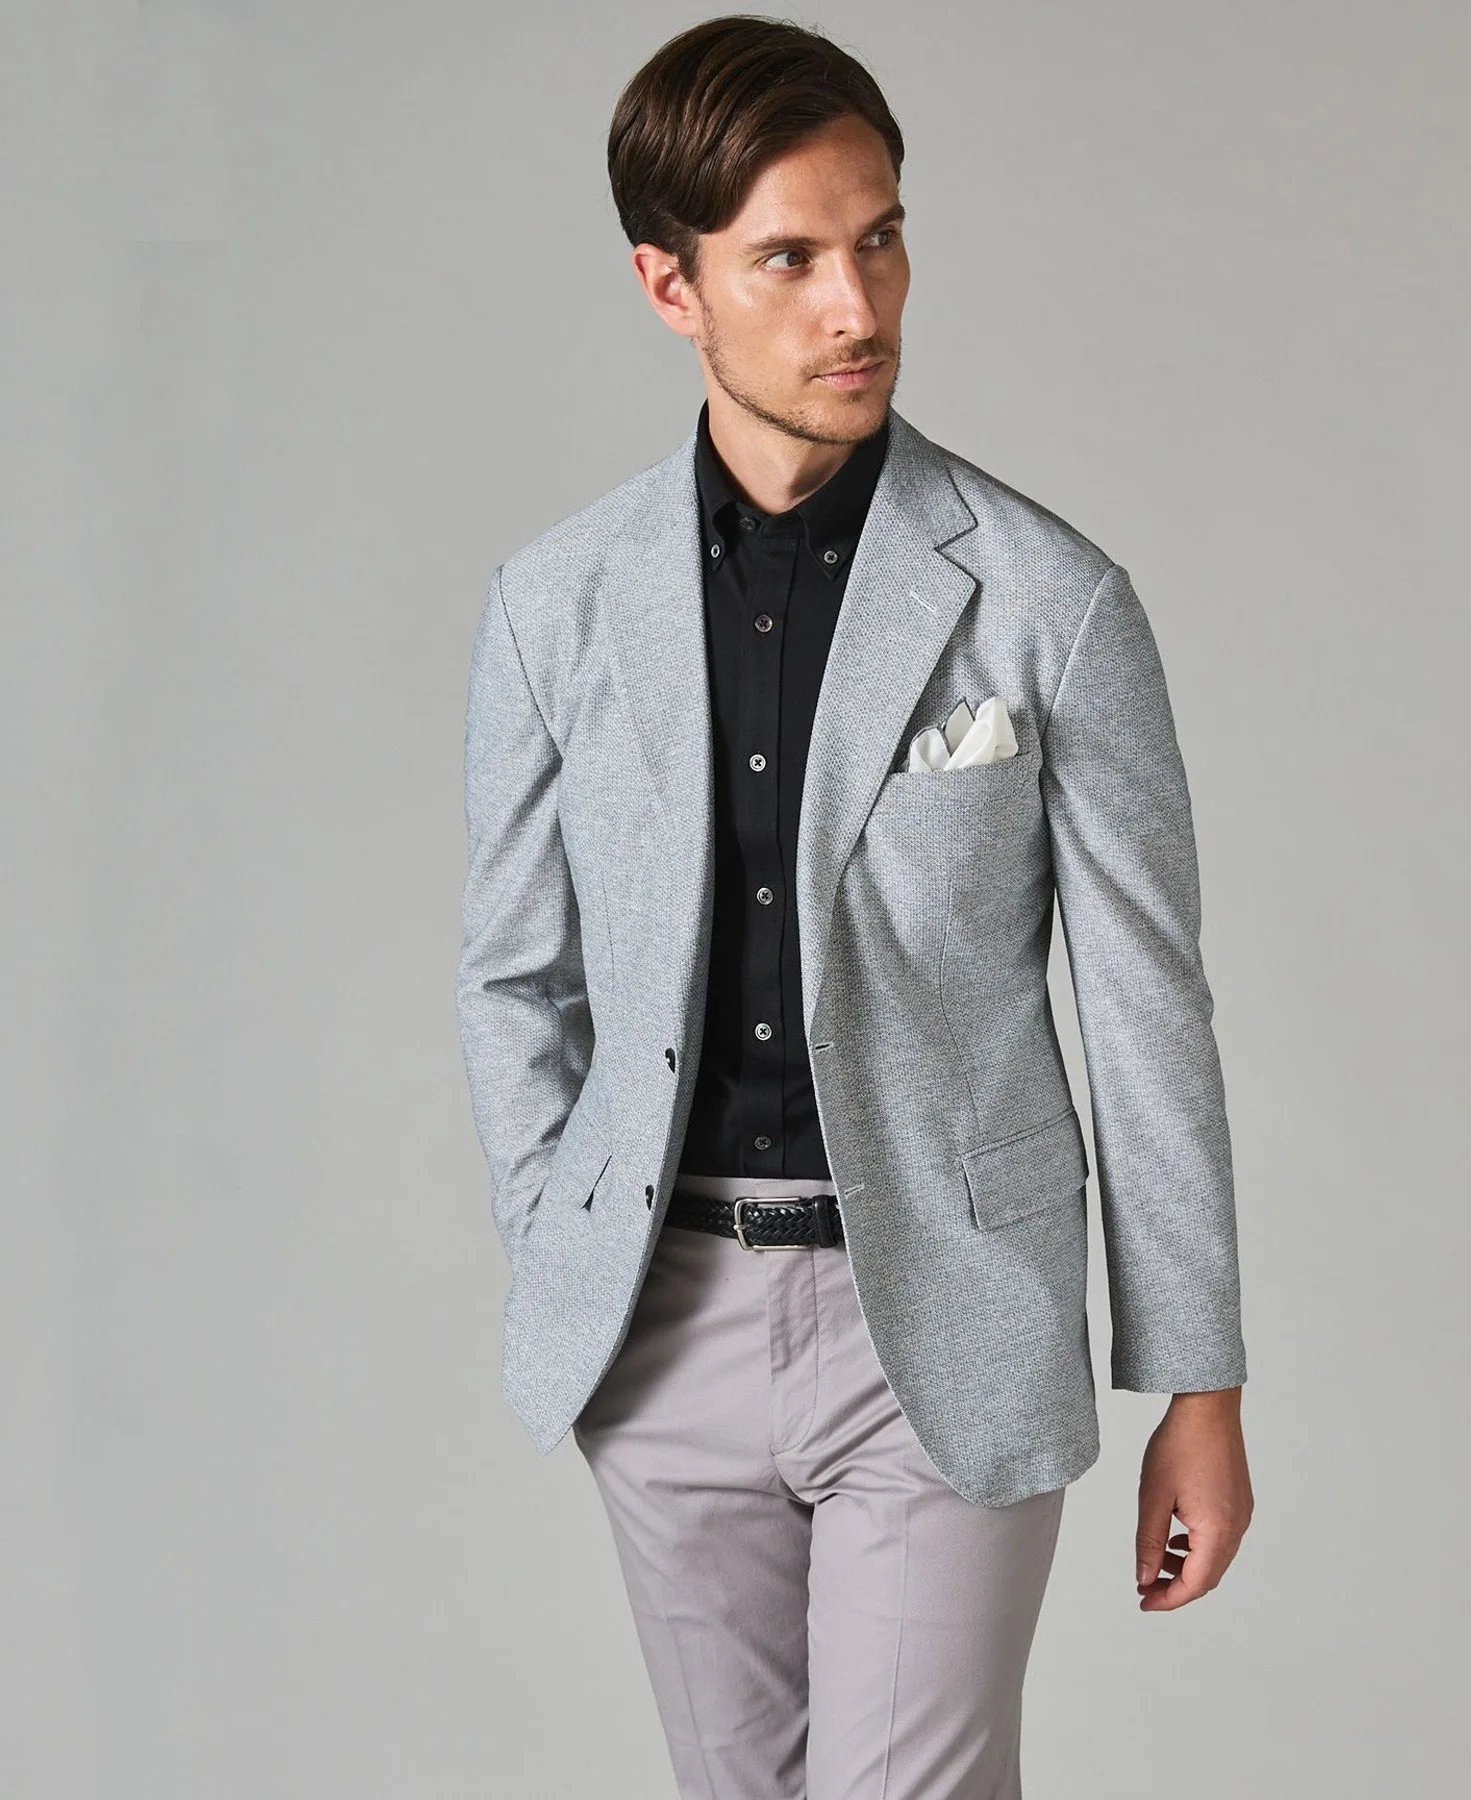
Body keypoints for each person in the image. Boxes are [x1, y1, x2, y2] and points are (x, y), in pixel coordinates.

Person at [454, 16, 1253, 1798]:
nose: (857, 304)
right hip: (661, 1330)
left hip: (947, 1319)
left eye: (880, 238)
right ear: (671, 286)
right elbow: (513, 977)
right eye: (791, 259)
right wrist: (562, 1246)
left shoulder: (1050, 600)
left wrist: (1196, 1383)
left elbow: (1146, 1009)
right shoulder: (553, 607)